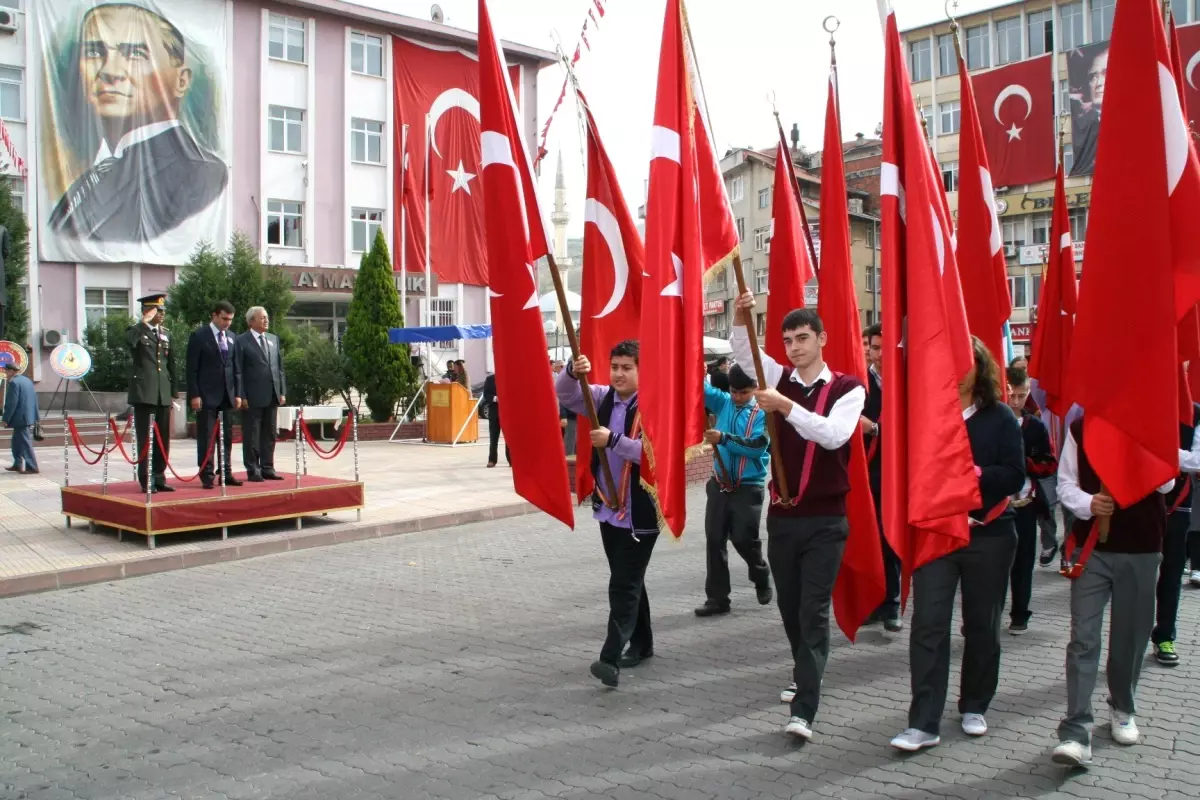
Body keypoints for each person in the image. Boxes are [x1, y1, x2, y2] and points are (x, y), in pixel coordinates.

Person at [730, 292, 865, 742]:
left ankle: (805, 707)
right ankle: (805, 666)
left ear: (822, 339)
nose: (794, 347)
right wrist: (739, 317)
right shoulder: (780, 376)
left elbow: (833, 436)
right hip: (784, 518)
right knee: (790, 608)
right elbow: (745, 352)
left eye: (803, 338)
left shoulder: (848, 388)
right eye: (788, 340)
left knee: (813, 610)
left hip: (826, 519)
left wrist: (786, 407)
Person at [891, 337, 1024, 752]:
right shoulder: (928, 415)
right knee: (928, 624)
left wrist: (971, 473)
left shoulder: (1000, 416)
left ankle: (974, 704)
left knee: (982, 625)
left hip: (989, 534)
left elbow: (1015, 475)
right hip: (937, 535)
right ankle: (923, 722)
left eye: (962, 360)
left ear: (979, 366)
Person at [1050, 414, 1174, 767]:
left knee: (1130, 638)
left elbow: (1166, 483)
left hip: (1142, 546)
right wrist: (1089, 503)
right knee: (1083, 639)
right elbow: (1065, 485)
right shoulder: (1080, 428)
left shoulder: (1152, 421)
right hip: (1094, 550)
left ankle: (1122, 706)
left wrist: (1139, 451)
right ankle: (1076, 731)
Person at [47, 4, 228, 241]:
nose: (110, 71)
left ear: (181, 81)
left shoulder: (201, 172)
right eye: (94, 53)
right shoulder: (88, 179)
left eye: (135, 54)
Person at [557, 341, 658, 689]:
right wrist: (573, 371)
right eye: (615, 366)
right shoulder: (600, 397)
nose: (618, 373)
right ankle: (643, 643)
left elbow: (654, 455)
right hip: (609, 508)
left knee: (623, 584)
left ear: (642, 371)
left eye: (627, 368)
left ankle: (609, 658)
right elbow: (565, 394)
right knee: (629, 578)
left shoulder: (653, 406)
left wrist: (613, 440)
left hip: (642, 511)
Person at [695, 364, 773, 617]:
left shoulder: (764, 412)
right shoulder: (724, 402)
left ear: (754, 388)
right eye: (734, 391)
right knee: (715, 540)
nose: (738, 397)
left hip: (748, 486)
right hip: (719, 484)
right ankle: (717, 598)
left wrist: (724, 439)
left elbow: (758, 448)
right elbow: (699, 389)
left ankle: (760, 572)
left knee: (742, 539)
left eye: (744, 392)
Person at [1004, 366, 1057, 635]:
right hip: (997, 506)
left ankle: (1020, 613)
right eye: (1011, 395)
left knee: (1024, 561)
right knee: (995, 563)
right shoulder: (992, 420)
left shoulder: (1035, 426)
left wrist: (1025, 464)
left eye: (1022, 396)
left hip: (1024, 503)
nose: (1016, 401)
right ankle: (986, 614)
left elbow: (1048, 464)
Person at [1150, 403, 1200, 667]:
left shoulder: (1196, 413)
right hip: (1141, 501)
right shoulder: (1143, 404)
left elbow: (1198, 459)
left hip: (1178, 504)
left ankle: (1164, 636)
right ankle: (1131, 636)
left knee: (1171, 572)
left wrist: (1165, 452)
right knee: (1139, 572)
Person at [861, 323, 900, 632]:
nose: (877, 355)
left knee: (892, 538)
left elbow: (912, 430)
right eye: (873, 348)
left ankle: (893, 605)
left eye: (883, 348)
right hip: (868, 472)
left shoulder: (905, 382)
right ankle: (874, 602)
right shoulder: (860, 385)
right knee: (870, 537)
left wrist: (875, 430)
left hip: (898, 472)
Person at [186, 300, 241, 490]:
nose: (227, 323)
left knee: (225, 437)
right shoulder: (200, 336)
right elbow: (191, 369)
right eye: (224, 318)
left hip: (227, 394)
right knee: (207, 436)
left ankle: (225, 472)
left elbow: (235, 368)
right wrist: (194, 394)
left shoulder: (232, 337)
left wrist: (238, 393)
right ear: (215, 315)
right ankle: (207, 475)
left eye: (231, 320)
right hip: (206, 395)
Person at [127, 293, 177, 492]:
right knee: (146, 438)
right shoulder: (136, 331)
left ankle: (160, 476)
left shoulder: (166, 334)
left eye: (163, 310)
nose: (162, 314)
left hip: (162, 393)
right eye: (158, 310)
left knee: (162, 438)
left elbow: (171, 364)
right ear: (147, 312)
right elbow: (129, 342)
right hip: (144, 393)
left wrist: (173, 391)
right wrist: (143, 324)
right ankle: (147, 480)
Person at [235, 306, 286, 482]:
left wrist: (281, 391)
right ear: (251, 321)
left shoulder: (273, 339)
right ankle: (253, 468)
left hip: (272, 394)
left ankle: (267, 467)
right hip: (252, 397)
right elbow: (238, 371)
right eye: (262, 318)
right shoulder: (241, 341)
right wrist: (241, 395)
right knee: (252, 435)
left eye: (266, 317)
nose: (266, 320)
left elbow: (279, 368)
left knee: (270, 433)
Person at [2, 362, 39, 474]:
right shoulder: (27, 380)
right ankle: (17, 464)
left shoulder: (14, 383)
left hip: (20, 418)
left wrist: (5, 419)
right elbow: (34, 399)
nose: (5, 373)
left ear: (12, 371)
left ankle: (32, 466)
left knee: (25, 442)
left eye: (7, 371)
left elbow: (12, 403)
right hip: (28, 416)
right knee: (16, 442)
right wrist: (36, 415)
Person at [481, 372, 509, 468]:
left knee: (508, 439)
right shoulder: (490, 379)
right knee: (493, 438)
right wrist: (495, 398)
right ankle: (492, 460)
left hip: (507, 413)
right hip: (494, 413)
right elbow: (486, 394)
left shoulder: (508, 378)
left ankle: (511, 460)